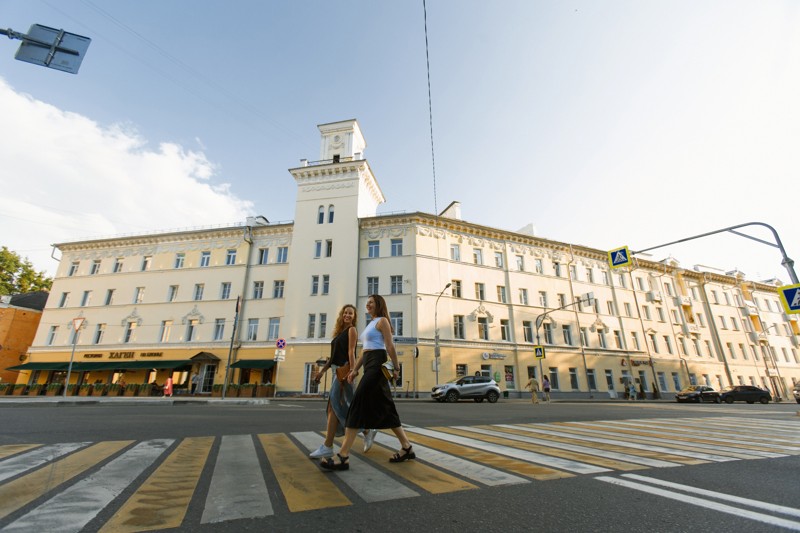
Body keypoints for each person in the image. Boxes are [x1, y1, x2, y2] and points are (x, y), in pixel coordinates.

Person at [320, 295, 415, 471]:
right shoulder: (371, 323)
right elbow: (364, 351)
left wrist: (396, 367)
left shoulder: (383, 321)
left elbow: (390, 346)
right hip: (369, 362)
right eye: (368, 302)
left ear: (378, 304)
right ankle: (407, 447)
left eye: (371, 302)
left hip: (378, 365)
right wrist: (354, 370)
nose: (368, 304)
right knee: (386, 408)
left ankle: (343, 455)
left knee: (357, 404)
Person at [309, 304, 376, 459]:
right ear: (342, 315)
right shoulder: (339, 333)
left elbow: (351, 352)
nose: (347, 315)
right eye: (345, 313)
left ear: (354, 317)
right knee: (345, 408)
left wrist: (352, 371)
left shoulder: (351, 330)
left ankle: (327, 446)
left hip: (344, 372)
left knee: (334, 407)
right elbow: (332, 358)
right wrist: (321, 372)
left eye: (350, 313)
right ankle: (367, 430)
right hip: (336, 371)